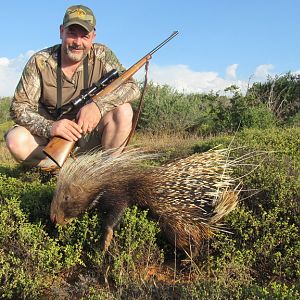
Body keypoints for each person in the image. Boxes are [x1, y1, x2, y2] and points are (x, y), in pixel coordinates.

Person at [5, 5, 140, 169]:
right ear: (61, 31)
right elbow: (19, 107)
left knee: (124, 110)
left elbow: (131, 87)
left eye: (85, 36)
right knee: (15, 140)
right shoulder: (40, 61)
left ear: (93, 37)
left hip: (87, 136)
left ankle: (106, 170)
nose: (78, 42)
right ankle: (58, 168)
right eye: (72, 34)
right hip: (48, 137)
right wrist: (51, 127)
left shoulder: (102, 55)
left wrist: (98, 107)